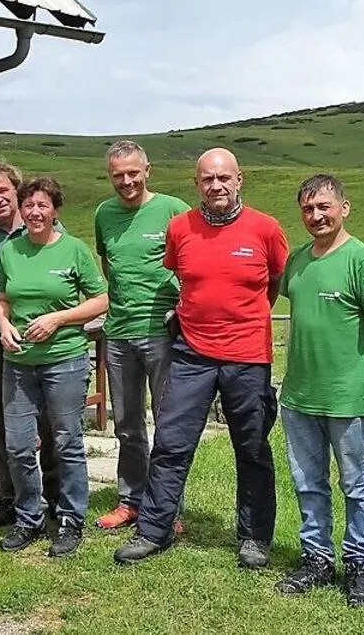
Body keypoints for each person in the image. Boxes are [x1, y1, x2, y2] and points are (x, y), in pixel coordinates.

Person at [115, 147, 288, 568]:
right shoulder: (180, 228)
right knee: (171, 444)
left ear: (239, 179)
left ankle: (254, 537)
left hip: (247, 356)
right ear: (197, 185)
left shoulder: (265, 229)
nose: (216, 186)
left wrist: (241, 319)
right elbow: (183, 276)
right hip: (191, 353)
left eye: (224, 178)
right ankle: (155, 529)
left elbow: (274, 283)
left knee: (250, 447)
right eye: (207, 179)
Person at [272, 174, 364, 608]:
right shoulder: (298, 260)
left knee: (355, 485)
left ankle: (359, 564)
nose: (316, 215)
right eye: (308, 209)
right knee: (308, 483)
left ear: (344, 207)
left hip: (347, 397)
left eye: (324, 206)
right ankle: (316, 558)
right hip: (300, 395)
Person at [0, 176, 108, 558]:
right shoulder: (11, 251)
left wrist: (59, 319)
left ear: (55, 210)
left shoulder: (74, 250)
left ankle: (70, 520)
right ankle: (29, 517)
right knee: (19, 445)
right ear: (21, 210)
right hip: (19, 363)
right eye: (29, 205)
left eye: (43, 205)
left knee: (66, 442)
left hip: (65, 361)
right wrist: (4, 324)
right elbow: (2, 298)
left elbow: (101, 299)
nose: (35, 212)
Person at [93, 140, 190, 530]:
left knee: (168, 423)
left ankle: (168, 506)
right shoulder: (104, 214)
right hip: (118, 332)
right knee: (127, 424)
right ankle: (131, 499)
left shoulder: (173, 210)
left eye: (133, 173)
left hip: (161, 331)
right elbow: (108, 261)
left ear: (147, 170)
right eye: (118, 175)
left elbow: (192, 263)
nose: (127, 181)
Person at [0, 162, 61, 528]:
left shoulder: (46, 226)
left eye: (3, 191)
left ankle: (54, 493)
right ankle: (13, 496)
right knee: (4, 422)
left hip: (42, 340)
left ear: (17, 192)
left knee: (49, 421)